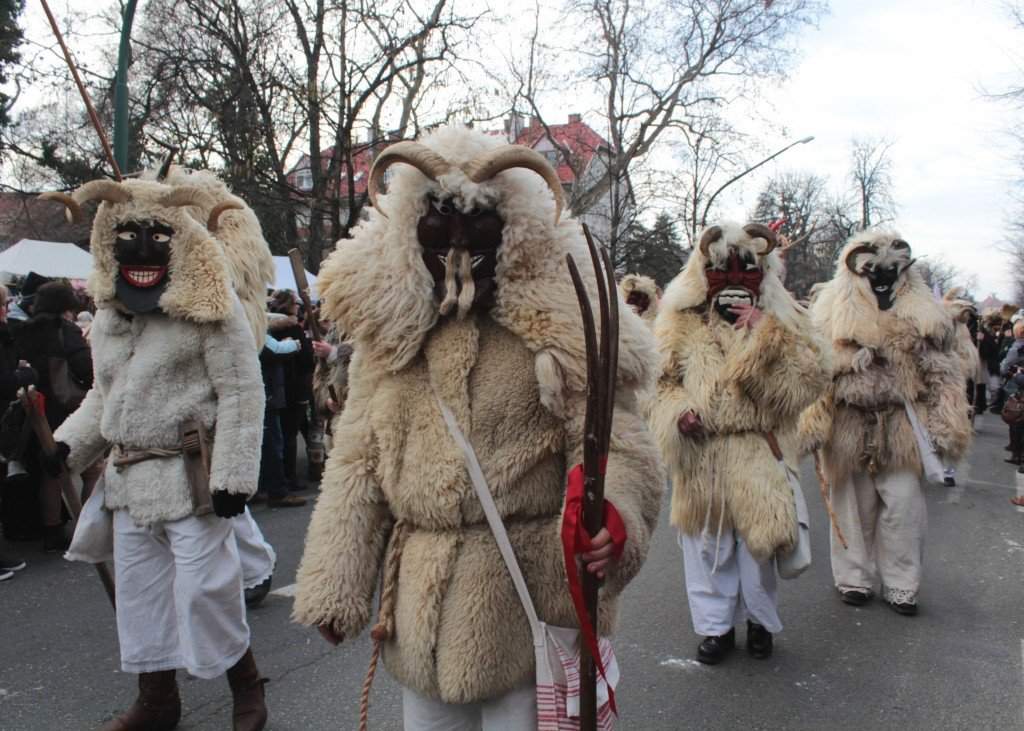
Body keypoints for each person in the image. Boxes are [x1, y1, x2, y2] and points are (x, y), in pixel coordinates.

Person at [292, 127, 663, 728]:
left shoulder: (560, 328)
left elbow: (614, 442)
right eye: (441, 221)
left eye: (480, 223)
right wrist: (337, 587)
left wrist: (613, 513)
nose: (459, 241)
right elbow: (357, 463)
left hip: (527, 603)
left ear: (515, 232)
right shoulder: (390, 337)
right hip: (421, 610)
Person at [46, 168, 275, 731]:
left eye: (159, 234)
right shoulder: (108, 321)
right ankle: (157, 701)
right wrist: (65, 448)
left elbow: (243, 395)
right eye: (127, 234)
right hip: (127, 481)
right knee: (143, 599)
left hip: (193, 480)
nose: (142, 247)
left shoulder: (211, 313)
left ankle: (245, 685)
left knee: (206, 594)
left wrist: (234, 478)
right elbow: (104, 400)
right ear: (107, 240)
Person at [649, 222, 829, 664]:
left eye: (745, 269)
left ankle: (760, 623)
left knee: (758, 547)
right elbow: (659, 384)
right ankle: (716, 628)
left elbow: (807, 383)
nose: (732, 278)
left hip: (757, 449)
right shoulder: (679, 321)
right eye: (721, 268)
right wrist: (679, 413)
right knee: (708, 546)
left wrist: (765, 336)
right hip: (704, 453)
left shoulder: (786, 322)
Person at [801, 232, 971, 615]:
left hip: (901, 423)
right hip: (848, 424)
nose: (881, 279)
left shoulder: (923, 317)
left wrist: (946, 425)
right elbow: (815, 374)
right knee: (850, 506)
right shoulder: (831, 313)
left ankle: (901, 583)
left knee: (904, 507)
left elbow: (943, 375)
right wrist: (812, 422)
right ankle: (854, 579)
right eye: (872, 272)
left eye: (890, 271)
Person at [12, 281, 92, 551]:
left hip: (34, 407)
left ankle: (52, 528)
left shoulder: (22, 330)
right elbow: (85, 367)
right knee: (93, 467)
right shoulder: (66, 331)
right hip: (67, 408)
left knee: (52, 471)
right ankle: (89, 524)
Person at [267, 290, 314, 492]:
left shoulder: (269, 329)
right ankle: (289, 477)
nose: (298, 307)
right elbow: (304, 357)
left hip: (279, 385)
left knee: (286, 433)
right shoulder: (292, 328)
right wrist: (302, 346)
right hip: (294, 387)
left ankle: (288, 475)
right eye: (296, 303)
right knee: (289, 434)